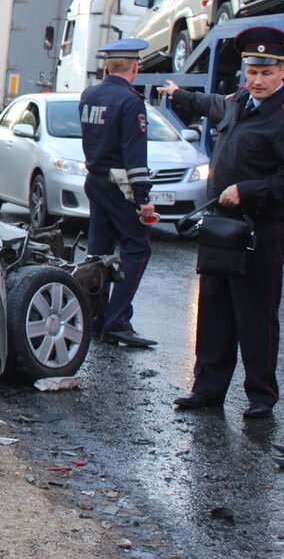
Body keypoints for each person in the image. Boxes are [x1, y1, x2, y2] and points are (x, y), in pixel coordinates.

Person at [158, 25, 284, 419]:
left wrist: (247, 190)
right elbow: (210, 103)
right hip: (221, 225)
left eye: (267, 72)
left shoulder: (283, 117)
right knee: (214, 309)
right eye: (252, 72)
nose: (258, 80)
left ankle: (261, 396)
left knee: (254, 314)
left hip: (261, 229)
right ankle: (208, 389)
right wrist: (178, 94)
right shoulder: (239, 101)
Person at [79, 38, 158, 348]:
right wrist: (143, 199)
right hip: (118, 185)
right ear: (135, 68)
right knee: (137, 248)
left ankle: (94, 316)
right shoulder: (130, 102)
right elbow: (134, 157)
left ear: (106, 66)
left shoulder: (89, 95)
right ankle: (117, 321)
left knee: (97, 251)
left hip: (95, 179)